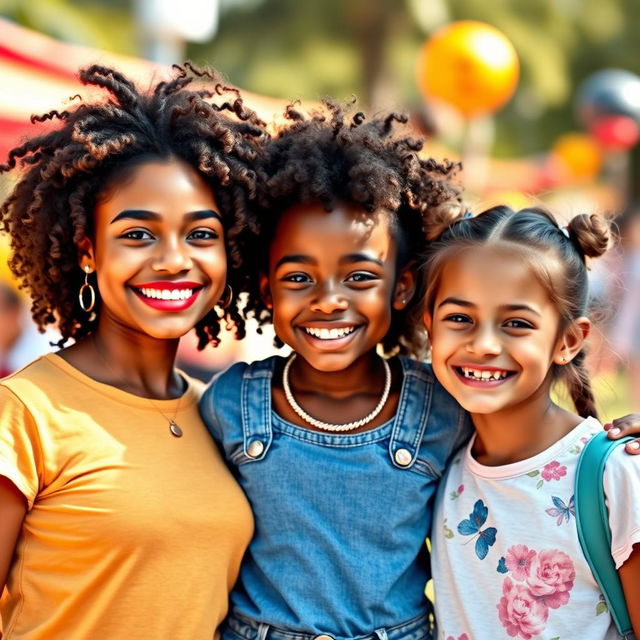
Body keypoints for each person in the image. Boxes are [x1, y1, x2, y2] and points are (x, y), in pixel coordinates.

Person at [0, 64, 265, 639]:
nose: (173, 259)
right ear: (87, 251)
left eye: (200, 234)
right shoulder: (24, 413)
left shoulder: (223, 415)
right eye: (138, 234)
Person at [200, 100, 472, 640]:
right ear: (267, 290)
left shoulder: (444, 407)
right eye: (299, 278)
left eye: (359, 277)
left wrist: (602, 445)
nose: (328, 301)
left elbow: (526, 455)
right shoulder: (230, 404)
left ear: (402, 286)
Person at [423, 206, 640, 639]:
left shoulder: (614, 475)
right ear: (428, 325)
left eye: (516, 323)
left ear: (568, 340)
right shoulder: (435, 465)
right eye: (460, 318)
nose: (483, 344)